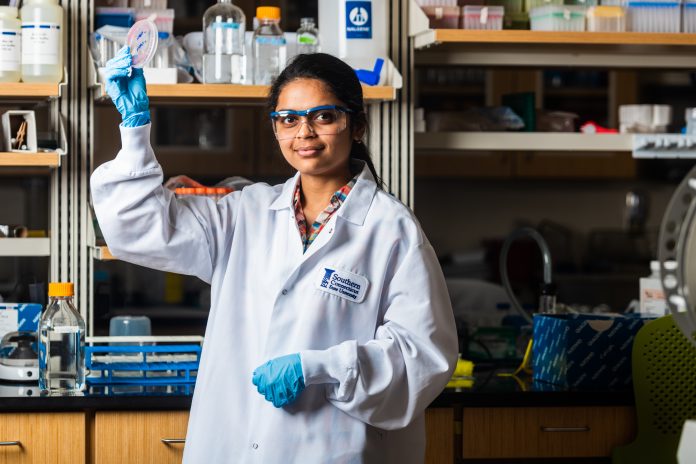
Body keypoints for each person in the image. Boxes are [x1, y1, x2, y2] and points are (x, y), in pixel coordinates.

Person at [91, 47, 458, 463]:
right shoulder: (244, 212)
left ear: (356, 125)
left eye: (323, 116)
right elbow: (138, 227)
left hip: (334, 451)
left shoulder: (392, 230)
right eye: (288, 119)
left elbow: (424, 356)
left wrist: (319, 367)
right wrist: (135, 129)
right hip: (233, 443)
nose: (304, 133)